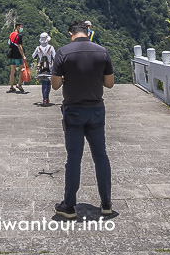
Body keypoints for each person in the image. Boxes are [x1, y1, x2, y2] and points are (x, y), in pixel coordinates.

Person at [51, 20, 115, 219]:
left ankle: (69, 206)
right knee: (101, 157)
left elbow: (55, 85)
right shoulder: (102, 52)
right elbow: (110, 83)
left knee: (74, 159)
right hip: (96, 110)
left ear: (71, 33)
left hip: (74, 112)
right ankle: (106, 204)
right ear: (87, 32)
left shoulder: (63, 53)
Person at [31, 32, 56, 107]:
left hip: (41, 68)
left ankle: (44, 99)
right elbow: (55, 57)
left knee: (44, 83)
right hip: (50, 68)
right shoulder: (51, 47)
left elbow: (33, 56)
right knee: (48, 83)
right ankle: (47, 97)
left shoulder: (38, 48)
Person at [7, 22, 27, 94]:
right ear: (18, 27)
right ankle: (19, 84)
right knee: (21, 69)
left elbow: (9, 43)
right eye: (21, 27)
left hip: (12, 54)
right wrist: (23, 55)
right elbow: (19, 46)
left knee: (12, 71)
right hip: (18, 55)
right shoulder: (19, 35)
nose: (22, 28)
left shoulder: (11, 34)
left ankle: (11, 87)